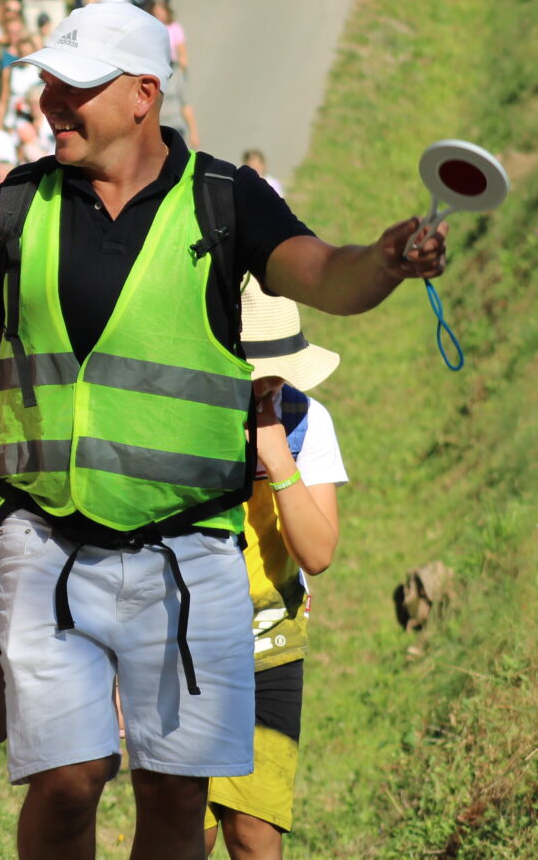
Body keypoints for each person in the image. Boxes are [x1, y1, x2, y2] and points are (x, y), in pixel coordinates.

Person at [0, 3, 448, 860]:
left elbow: (323, 274)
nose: (50, 102)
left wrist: (381, 262)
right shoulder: (16, 206)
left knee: (174, 790)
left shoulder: (226, 200)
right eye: (48, 83)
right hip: (45, 544)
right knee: (69, 777)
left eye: (75, 87)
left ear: (143, 95)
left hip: (191, 551)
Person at [205, 282, 347, 860]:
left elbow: (318, 553)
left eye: (277, 375)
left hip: (270, 647)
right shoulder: (182, 421)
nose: (266, 388)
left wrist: (278, 459)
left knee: (254, 832)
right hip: (180, 645)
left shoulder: (307, 421)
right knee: (185, 830)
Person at [150, 2, 200, 148]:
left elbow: (186, 105)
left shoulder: (176, 75)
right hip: (157, 127)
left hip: (175, 126)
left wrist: (193, 132)